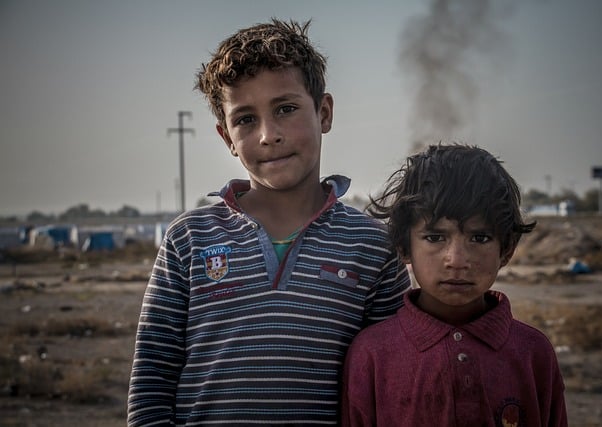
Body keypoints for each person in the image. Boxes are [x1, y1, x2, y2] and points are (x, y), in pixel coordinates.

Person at [127, 19, 411, 426]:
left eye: (286, 109)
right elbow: (152, 378)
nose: (268, 135)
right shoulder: (189, 239)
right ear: (226, 138)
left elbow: (390, 381)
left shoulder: (372, 245)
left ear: (324, 112)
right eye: (245, 119)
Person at [341, 144, 568, 426]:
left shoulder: (534, 353)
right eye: (436, 238)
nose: (457, 260)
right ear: (403, 247)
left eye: (480, 238)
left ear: (506, 249)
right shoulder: (372, 354)